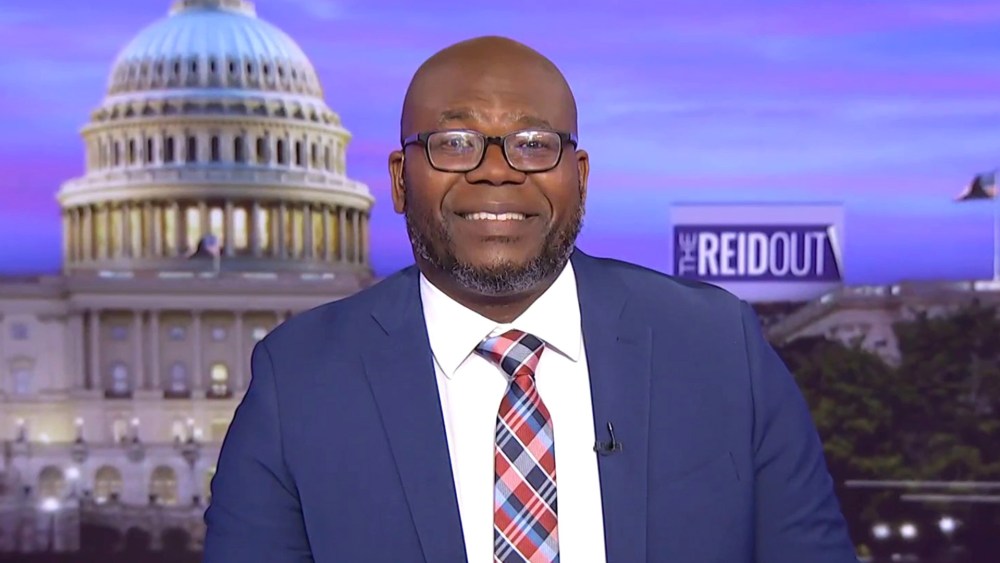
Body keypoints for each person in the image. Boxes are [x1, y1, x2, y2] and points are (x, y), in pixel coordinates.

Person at [203, 36, 858, 563]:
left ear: (580, 177)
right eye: (455, 143)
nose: (497, 170)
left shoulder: (717, 347)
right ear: (400, 181)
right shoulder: (300, 379)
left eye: (534, 145)